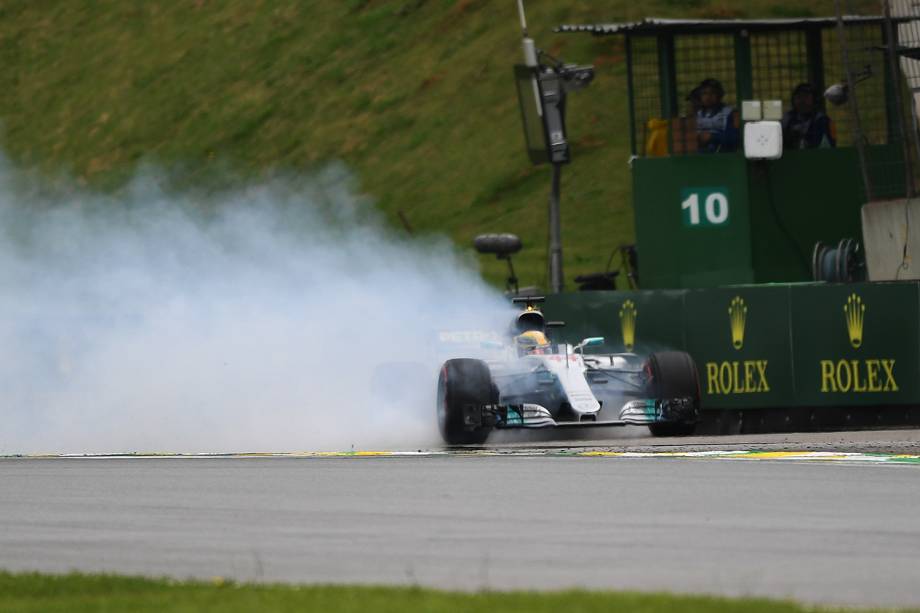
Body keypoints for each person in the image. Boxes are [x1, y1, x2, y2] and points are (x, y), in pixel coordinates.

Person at [782, 83, 837, 149]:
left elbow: (830, 145)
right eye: (799, 97)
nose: (802, 101)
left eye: (806, 97)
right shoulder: (787, 119)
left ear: (814, 99)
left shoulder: (823, 120)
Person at [695, 78, 739, 153]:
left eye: (712, 93)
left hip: (722, 154)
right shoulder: (696, 114)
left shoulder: (728, 113)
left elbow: (734, 138)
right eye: (704, 93)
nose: (708, 97)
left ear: (719, 95)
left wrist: (712, 137)